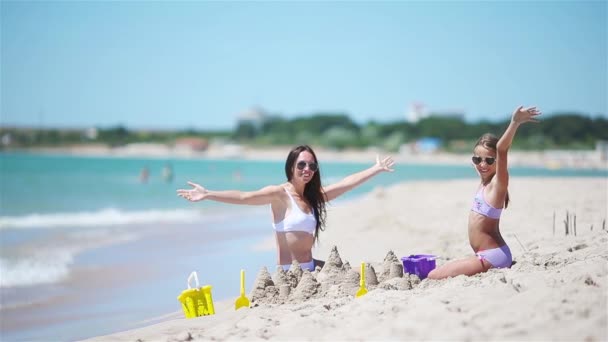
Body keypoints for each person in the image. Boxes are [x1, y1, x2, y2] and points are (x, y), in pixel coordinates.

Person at [176, 145, 395, 271]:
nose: (307, 169)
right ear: (291, 167)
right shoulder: (279, 194)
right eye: (301, 164)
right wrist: (208, 194)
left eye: (312, 165)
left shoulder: (313, 198)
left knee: (358, 272)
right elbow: (245, 196)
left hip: (312, 268)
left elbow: (347, 184)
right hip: (291, 274)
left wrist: (375, 169)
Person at [427, 105, 541, 279]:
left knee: (433, 276)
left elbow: (502, 149)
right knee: (438, 271)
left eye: (489, 160)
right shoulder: (484, 182)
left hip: (493, 256)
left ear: (497, 162)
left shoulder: (498, 183)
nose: (482, 164)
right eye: (477, 159)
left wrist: (515, 122)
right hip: (483, 255)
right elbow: (481, 164)